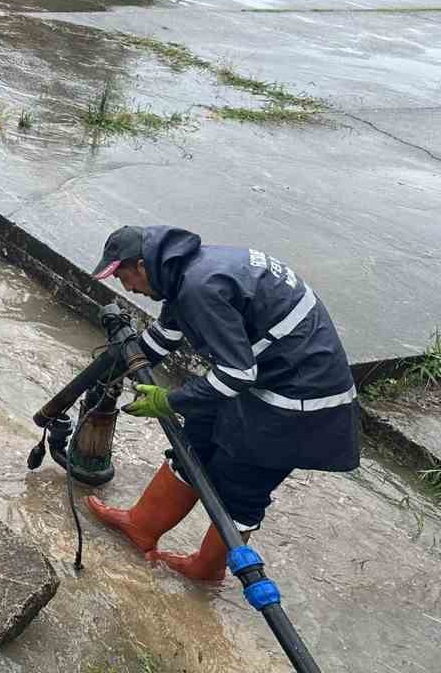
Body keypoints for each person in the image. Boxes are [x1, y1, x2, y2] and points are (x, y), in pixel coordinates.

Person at [84, 224, 359, 581]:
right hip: (264, 376)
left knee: (241, 481)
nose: (127, 288)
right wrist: (111, 373)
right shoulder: (184, 271)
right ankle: (141, 526)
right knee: (197, 440)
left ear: (141, 265)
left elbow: (237, 376)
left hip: (299, 401)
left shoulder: (200, 287)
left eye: (125, 277)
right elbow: (165, 336)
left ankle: (205, 570)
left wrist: (171, 400)